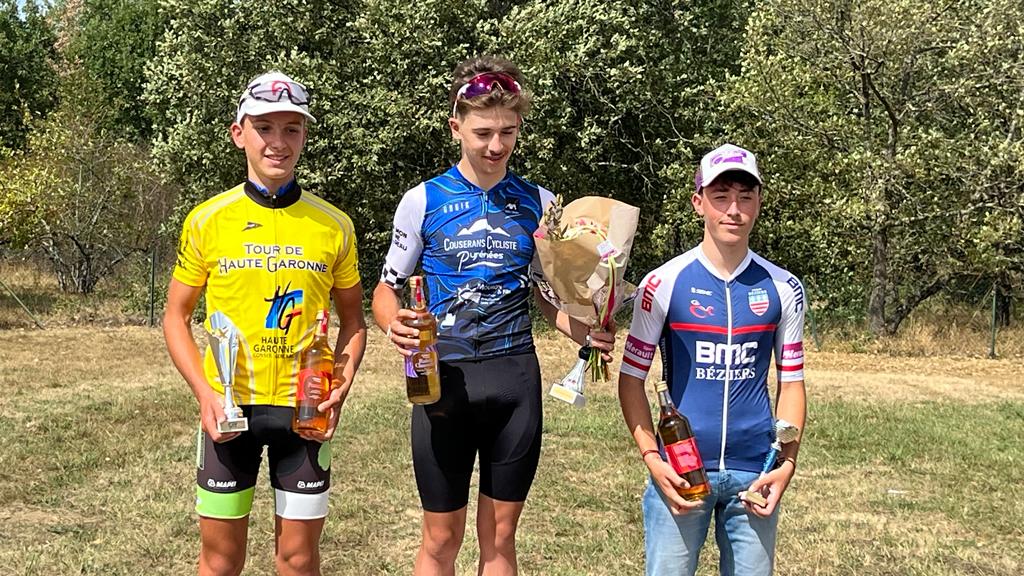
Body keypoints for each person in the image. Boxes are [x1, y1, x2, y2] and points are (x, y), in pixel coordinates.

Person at [371, 55, 615, 576]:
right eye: (482, 132)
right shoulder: (423, 200)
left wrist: (588, 332)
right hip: (443, 378)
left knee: (501, 540)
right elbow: (385, 290)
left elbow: (551, 299)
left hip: (513, 378)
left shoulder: (542, 202)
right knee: (440, 538)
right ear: (456, 126)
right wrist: (393, 322)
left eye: (507, 131)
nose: (496, 146)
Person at [163, 70, 367, 576]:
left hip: (304, 413)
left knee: (298, 561)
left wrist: (337, 386)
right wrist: (204, 394)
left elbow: (354, 323)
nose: (278, 142)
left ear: (303, 136)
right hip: (228, 413)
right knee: (219, 560)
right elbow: (176, 316)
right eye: (264, 128)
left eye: (291, 129)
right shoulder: (207, 219)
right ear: (239, 134)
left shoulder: (334, 224)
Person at [618, 143, 806, 576]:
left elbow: (792, 383)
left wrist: (787, 464)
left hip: (755, 473)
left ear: (759, 201)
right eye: (720, 197)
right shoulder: (661, 283)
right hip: (681, 472)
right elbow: (631, 380)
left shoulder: (783, 287)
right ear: (698, 202)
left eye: (745, 196)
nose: (733, 210)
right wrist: (653, 459)